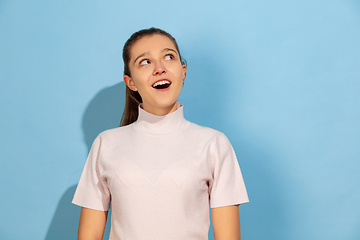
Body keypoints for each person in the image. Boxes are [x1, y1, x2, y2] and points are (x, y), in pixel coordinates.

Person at [72, 27, 249, 240]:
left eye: (168, 57)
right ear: (131, 82)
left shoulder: (214, 144)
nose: (159, 68)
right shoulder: (105, 144)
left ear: (183, 71)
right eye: (145, 62)